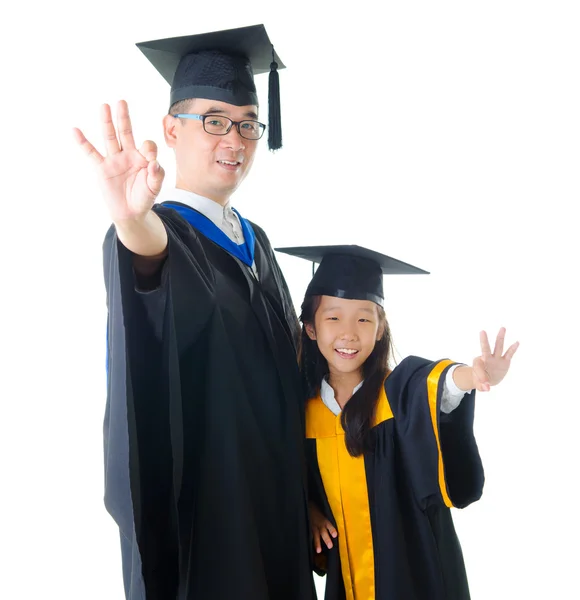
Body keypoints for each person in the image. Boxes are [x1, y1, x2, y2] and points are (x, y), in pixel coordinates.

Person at [73, 24, 316, 600]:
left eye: (248, 123)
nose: (233, 139)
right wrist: (133, 219)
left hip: (278, 520)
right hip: (212, 528)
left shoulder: (256, 242)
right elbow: (150, 268)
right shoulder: (164, 232)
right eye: (213, 121)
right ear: (170, 130)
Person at [277, 244, 519, 600]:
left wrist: (473, 376)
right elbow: (289, 476)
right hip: (347, 580)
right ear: (311, 329)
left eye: (363, 318)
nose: (349, 333)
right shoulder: (303, 409)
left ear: (379, 329)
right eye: (333, 318)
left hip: (415, 572)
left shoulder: (398, 392)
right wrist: (308, 509)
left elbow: (438, 387)